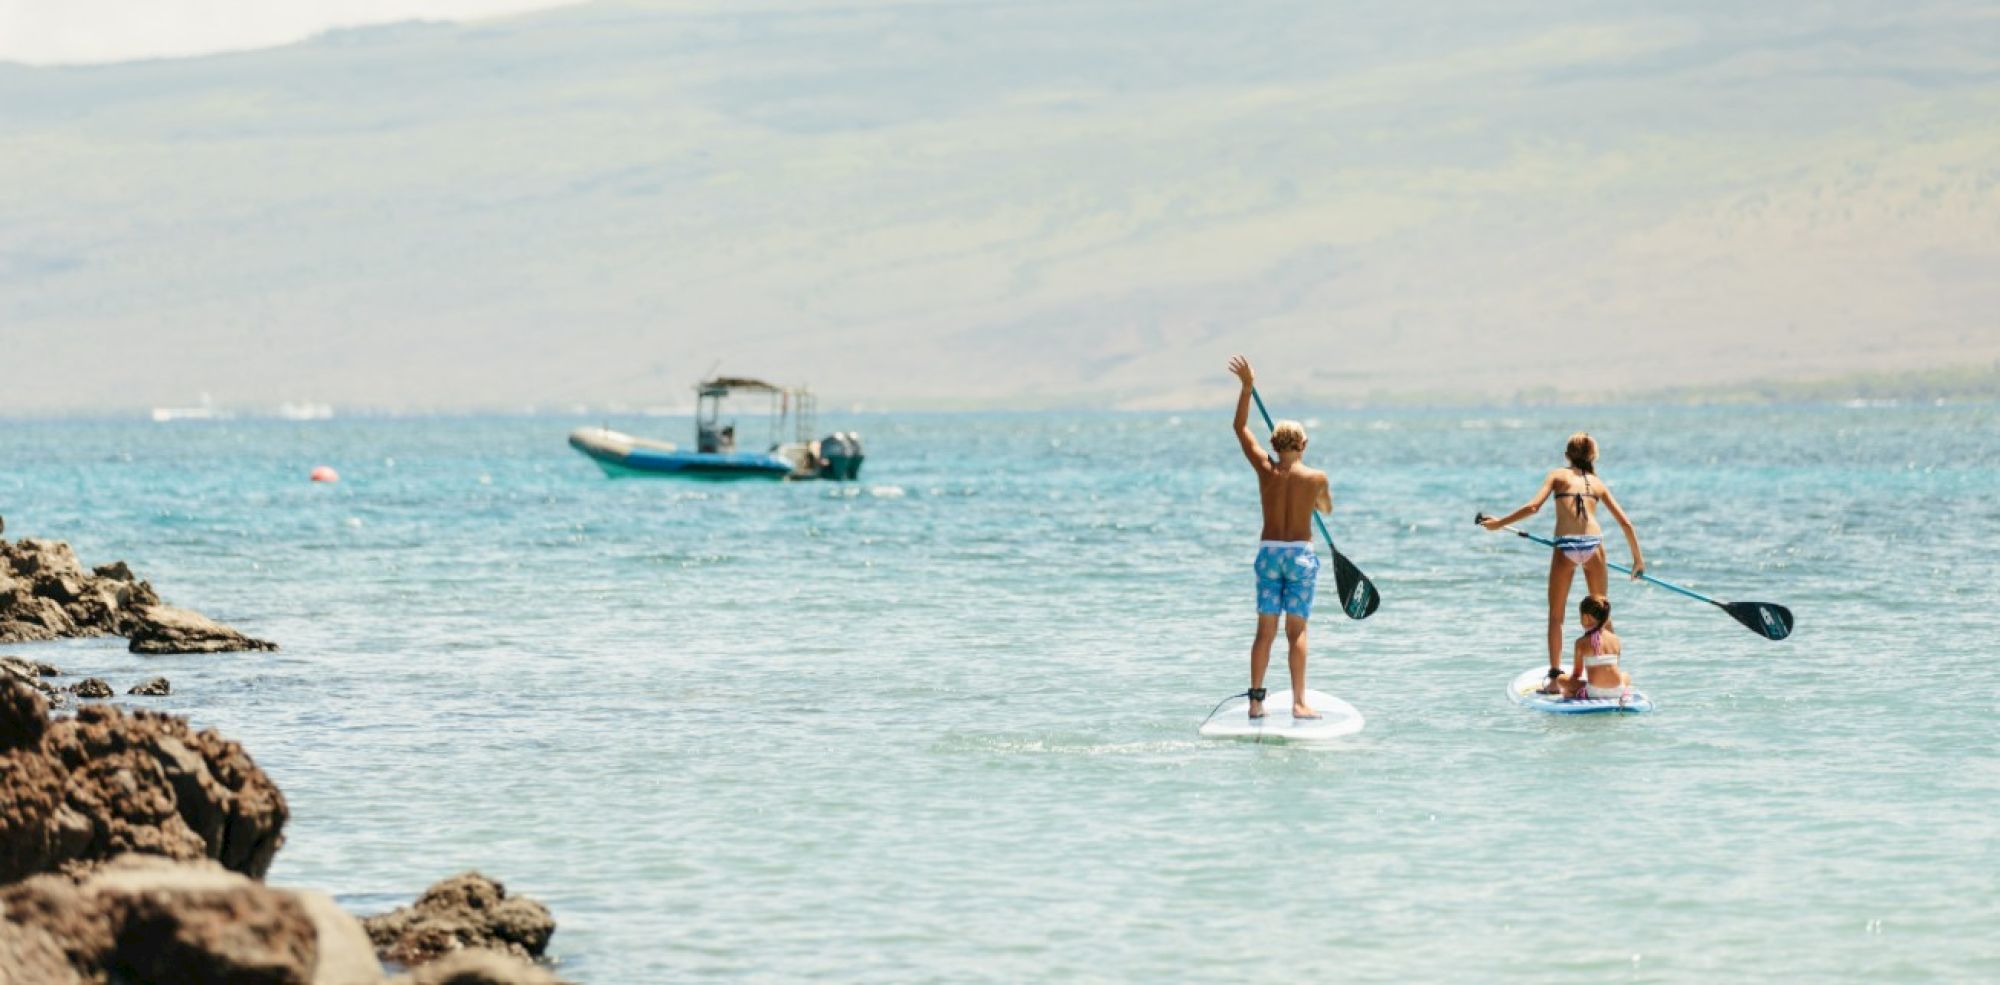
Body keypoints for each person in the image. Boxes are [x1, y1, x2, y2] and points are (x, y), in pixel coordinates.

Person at [1479, 432, 1644, 692]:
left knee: (1556, 615)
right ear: (1593, 456)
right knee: (1602, 611)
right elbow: (1626, 522)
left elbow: (1533, 507)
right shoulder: (1597, 483)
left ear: (1567, 455)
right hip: (1593, 544)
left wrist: (1499, 523)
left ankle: (1556, 677)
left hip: (1566, 545)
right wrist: (1638, 560)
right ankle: (1609, 674)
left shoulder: (1557, 475)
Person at [1227, 355, 1333, 720]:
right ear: (1303, 444)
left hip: (1269, 555)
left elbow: (1240, 428)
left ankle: (1256, 702)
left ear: (1274, 443)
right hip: (1301, 556)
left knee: (1264, 632)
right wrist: (1310, 500)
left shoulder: (1264, 468)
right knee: (1297, 631)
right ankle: (1299, 703)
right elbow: (1326, 509)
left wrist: (1246, 388)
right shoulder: (1316, 477)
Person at [1554, 595, 1629, 701]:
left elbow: (1577, 673)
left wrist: (1573, 687)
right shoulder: (1615, 639)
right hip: (1617, 690)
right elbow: (1613, 667)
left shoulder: (1581, 642)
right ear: (1606, 618)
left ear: (1585, 618)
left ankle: (1573, 693)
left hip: (1594, 691)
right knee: (1626, 676)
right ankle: (1622, 691)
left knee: (1560, 679)